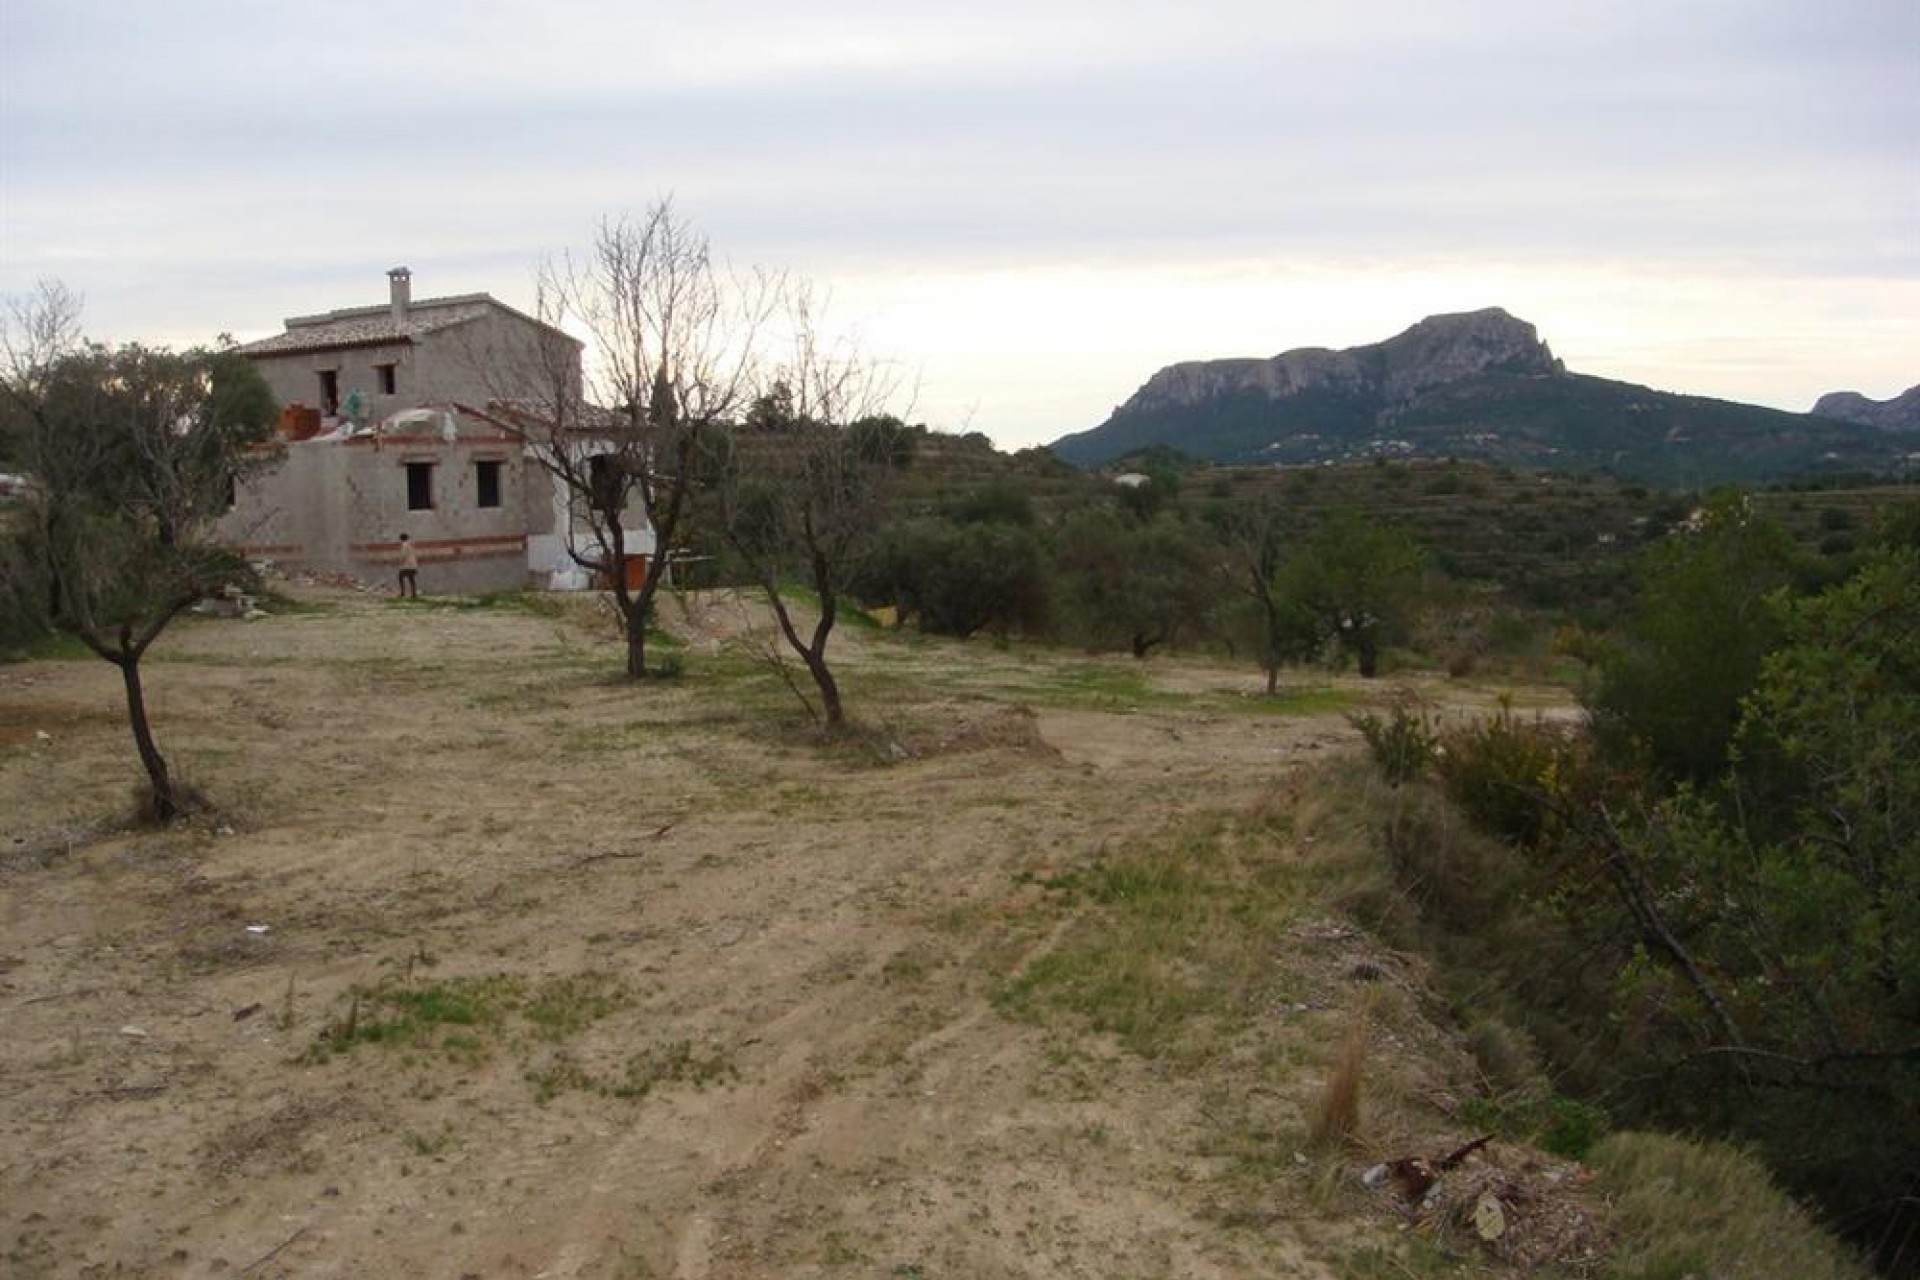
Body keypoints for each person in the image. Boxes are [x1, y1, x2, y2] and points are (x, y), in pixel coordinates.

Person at [397, 533, 420, 598]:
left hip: (406, 566)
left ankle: (403, 592)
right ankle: (414, 593)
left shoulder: (404, 545)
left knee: (400, 577)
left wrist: (400, 561)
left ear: (401, 539)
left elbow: (403, 555)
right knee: (411, 579)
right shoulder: (411, 545)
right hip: (413, 565)